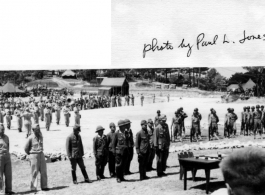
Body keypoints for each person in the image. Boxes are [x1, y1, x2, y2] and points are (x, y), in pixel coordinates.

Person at [24, 124, 49, 192]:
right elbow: (26, 148)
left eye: (39, 129)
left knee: (43, 171)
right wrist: (30, 154)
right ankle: (33, 187)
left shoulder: (41, 136)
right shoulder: (30, 138)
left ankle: (44, 186)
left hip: (41, 154)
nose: (38, 130)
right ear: (33, 130)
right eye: (37, 129)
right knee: (34, 172)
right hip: (34, 155)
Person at [0, 124, 15, 195]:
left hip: (7, 157)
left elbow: (8, 146)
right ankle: (1, 190)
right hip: (0, 157)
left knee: (8, 174)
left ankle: (9, 189)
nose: (3, 131)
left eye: (3, 129)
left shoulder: (6, 137)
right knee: (0, 175)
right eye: (1, 129)